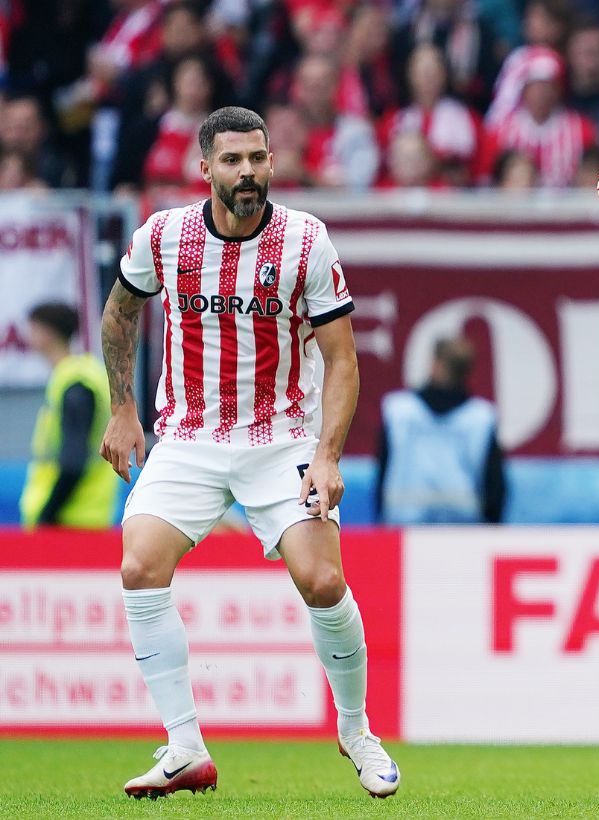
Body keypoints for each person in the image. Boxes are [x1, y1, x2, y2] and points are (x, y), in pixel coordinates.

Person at [98, 106, 399, 800]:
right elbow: (120, 312)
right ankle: (184, 746)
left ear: (271, 163)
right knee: (140, 564)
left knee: (322, 583)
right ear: (204, 168)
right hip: (190, 438)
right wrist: (122, 407)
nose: (247, 173)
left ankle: (355, 730)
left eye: (257, 159)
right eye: (232, 161)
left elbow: (342, 359)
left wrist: (326, 456)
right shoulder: (164, 235)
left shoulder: (305, 240)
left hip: (282, 438)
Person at [376, 337, 507, 524]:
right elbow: (495, 487)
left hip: (404, 526)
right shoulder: (481, 417)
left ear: (435, 364)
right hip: (462, 533)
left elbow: (382, 472)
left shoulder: (398, 411)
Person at [19, 303, 119, 530]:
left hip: (69, 521)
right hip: (81, 517)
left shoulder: (75, 382)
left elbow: (73, 459)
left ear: (46, 332)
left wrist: (47, 515)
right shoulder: (80, 375)